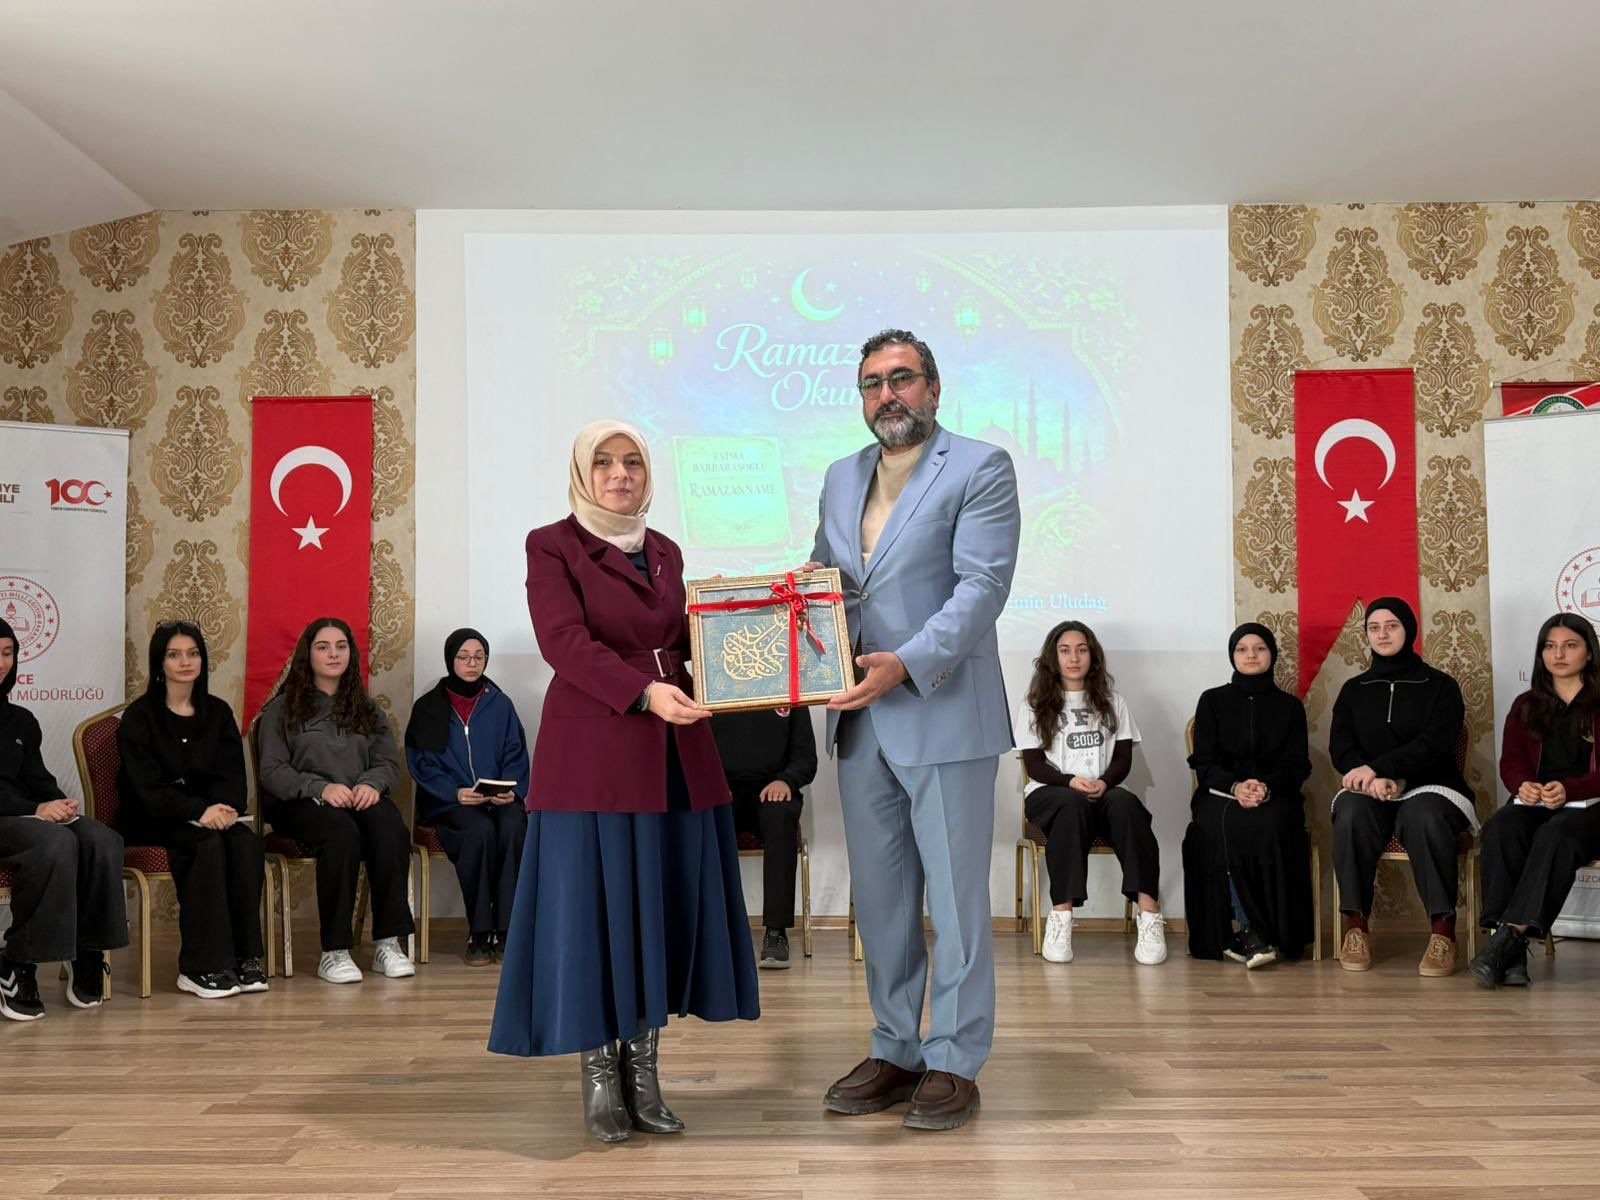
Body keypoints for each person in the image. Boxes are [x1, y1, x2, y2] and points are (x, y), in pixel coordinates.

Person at [489, 419, 759, 1144]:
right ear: (583, 473)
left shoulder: (666, 549)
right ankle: (600, 1076)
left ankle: (643, 1073)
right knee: (595, 918)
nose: (619, 474)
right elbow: (564, 643)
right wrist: (642, 692)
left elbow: (689, 643)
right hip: (596, 757)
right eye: (604, 462)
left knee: (655, 914)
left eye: (632, 462)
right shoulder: (552, 544)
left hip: (674, 755)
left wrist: (760, 670)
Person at [807, 329, 1019, 1133]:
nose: (886, 394)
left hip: (943, 709)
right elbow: (825, 585)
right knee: (883, 902)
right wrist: (770, 646)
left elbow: (981, 587)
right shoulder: (840, 475)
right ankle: (895, 1047)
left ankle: (954, 1058)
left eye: (901, 378)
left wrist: (906, 662)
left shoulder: (980, 466)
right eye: (872, 383)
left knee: (958, 903)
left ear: (933, 387)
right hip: (860, 720)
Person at [256, 617, 416, 985]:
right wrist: (319, 788)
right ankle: (335, 951)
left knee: (390, 828)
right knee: (341, 835)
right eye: (323, 647)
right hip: (301, 803)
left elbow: (387, 762)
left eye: (341, 646)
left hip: (357, 796)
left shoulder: (367, 709)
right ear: (307, 655)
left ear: (350, 654)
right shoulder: (282, 709)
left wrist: (372, 784)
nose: (333, 654)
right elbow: (272, 771)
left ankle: (388, 943)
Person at [118, 621, 267, 999]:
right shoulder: (139, 716)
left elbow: (232, 777)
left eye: (193, 653)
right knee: (205, 845)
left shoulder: (217, 713)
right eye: (174, 655)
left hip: (209, 815)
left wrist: (224, 809)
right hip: (151, 818)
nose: (185, 662)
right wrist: (199, 811)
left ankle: (245, 958)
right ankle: (201, 967)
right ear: (159, 663)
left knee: (245, 842)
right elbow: (147, 788)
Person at [1330, 597, 1475, 976]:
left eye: (1391, 625)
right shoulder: (1353, 689)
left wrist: (1387, 772)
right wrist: (1371, 778)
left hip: (1431, 784)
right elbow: (1341, 747)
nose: (1382, 634)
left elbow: (1435, 744)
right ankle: (1355, 928)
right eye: (1374, 627)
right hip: (1369, 788)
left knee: (1423, 815)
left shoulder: (1441, 686)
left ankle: (1443, 933)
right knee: (1351, 812)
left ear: (1408, 630)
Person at [1015, 620, 1167, 968]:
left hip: (1104, 791)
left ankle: (1149, 915)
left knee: (1127, 805)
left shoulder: (1114, 702)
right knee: (1070, 805)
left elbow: (1124, 759)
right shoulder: (1034, 705)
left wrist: (1105, 783)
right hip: (1051, 792)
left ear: (1092, 656)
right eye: (1065, 650)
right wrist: (1069, 781)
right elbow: (1034, 765)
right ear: (1053, 657)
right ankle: (1061, 917)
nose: (1074, 658)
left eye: (1081, 650)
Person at [0, 617, 128, 1020]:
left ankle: (86, 951)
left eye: (7, 653)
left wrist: (58, 803)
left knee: (100, 838)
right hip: (12, 820)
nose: (1, 663)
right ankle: (18, 962)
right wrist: (35, 811)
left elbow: (36, 779)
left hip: (23, 819)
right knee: (54, 842)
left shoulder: (21, 721)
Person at [1471, 613, 1600, 988]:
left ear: (1589, 653)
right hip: (1539, 801)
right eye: (1549, 646)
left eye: (1570, 646)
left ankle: (1507, 937)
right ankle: (1511, 956)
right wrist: (1523, 785)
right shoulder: (1526, 705)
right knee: (1501, 827)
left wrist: (1571, 790)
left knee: (1557, 833)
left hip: (1591, 807)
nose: (1558, 654)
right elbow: (1511, 761)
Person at [1182, 623, 1313, 967]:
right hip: (1220, 794)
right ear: (1232, 655)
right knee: (1226, 824)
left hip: (1276, 795)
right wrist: (1236, 787)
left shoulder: (1290, 707)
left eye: (1260, 648)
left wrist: (1265, 786)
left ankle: (1259, 934)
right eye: (1242, 649)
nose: (1251, 655)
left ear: (1272, 654)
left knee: (1269, 823)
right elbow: (1205, 763)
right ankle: (1253, 931)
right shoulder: (1212, 701)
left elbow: (1297, 765)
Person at [405, 627, 530, 966]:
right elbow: (422, 762)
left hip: (497, 801)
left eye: (479, 657)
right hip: (448, 803)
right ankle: (480, 931)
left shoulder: (500, 704)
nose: (472, 664)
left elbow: (516, 753)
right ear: (451, 659)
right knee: (478, 830)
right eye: (464, 657)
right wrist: (454, 793)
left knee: (513, 824)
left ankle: (507, 929)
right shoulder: (428, 707)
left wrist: (512, 791)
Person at [709, 707, 817, 968]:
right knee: (705, 821)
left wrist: (787, 781)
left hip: (774, 786)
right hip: (723, 788)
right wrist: (713, 783)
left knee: (780, 818)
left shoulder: (790, 695)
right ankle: (713, 931)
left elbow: (805, 758)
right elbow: (695, 751)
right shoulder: (710, 691)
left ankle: (776, 933)